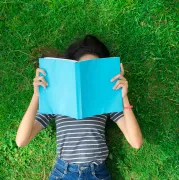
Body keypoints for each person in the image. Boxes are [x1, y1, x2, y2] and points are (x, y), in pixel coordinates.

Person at [16, 34, 143, 180]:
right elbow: (21, 141)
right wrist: (36, 96)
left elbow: (136, 142)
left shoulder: (106, 101)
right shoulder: (57, 99)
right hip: (64, 172)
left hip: (97, 173)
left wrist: (123, 97)